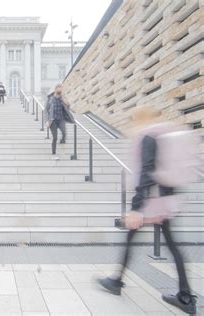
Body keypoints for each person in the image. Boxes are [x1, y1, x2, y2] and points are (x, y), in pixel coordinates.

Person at [98, 107, 197, 315]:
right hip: (167, 199)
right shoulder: (165, 134)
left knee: (131, 239)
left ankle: (116, 280)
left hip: (151, 201)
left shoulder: (148, 137)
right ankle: (185, 296)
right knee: (172, 245)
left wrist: (136, 207)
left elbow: (146, 172)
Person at [44, 84, 74, 159]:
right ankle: (53, 152)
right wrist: (47, 120)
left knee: (64, 133)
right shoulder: (50, 99)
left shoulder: (63, 98)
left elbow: (68, 107)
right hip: (53, 121)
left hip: (61, 119)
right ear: (56, 89)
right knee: (55, 137)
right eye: (59, 89)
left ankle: (62, 141)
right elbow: (46, 110)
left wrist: (65, 101)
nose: (60, 90)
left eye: (61, 89)